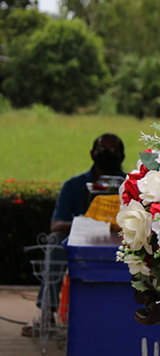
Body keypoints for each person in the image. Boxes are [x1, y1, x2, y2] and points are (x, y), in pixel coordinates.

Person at [22, 133, 126, 337]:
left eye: (113, 150)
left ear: (122, 156)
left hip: (121, 243)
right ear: (92, 154)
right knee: (54, 243)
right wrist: (87, 225)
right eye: (102, 149)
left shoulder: (131, 186)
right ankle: (46, 314)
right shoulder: (73, 185)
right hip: (81, 241)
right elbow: (56, 225)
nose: (107, 154)